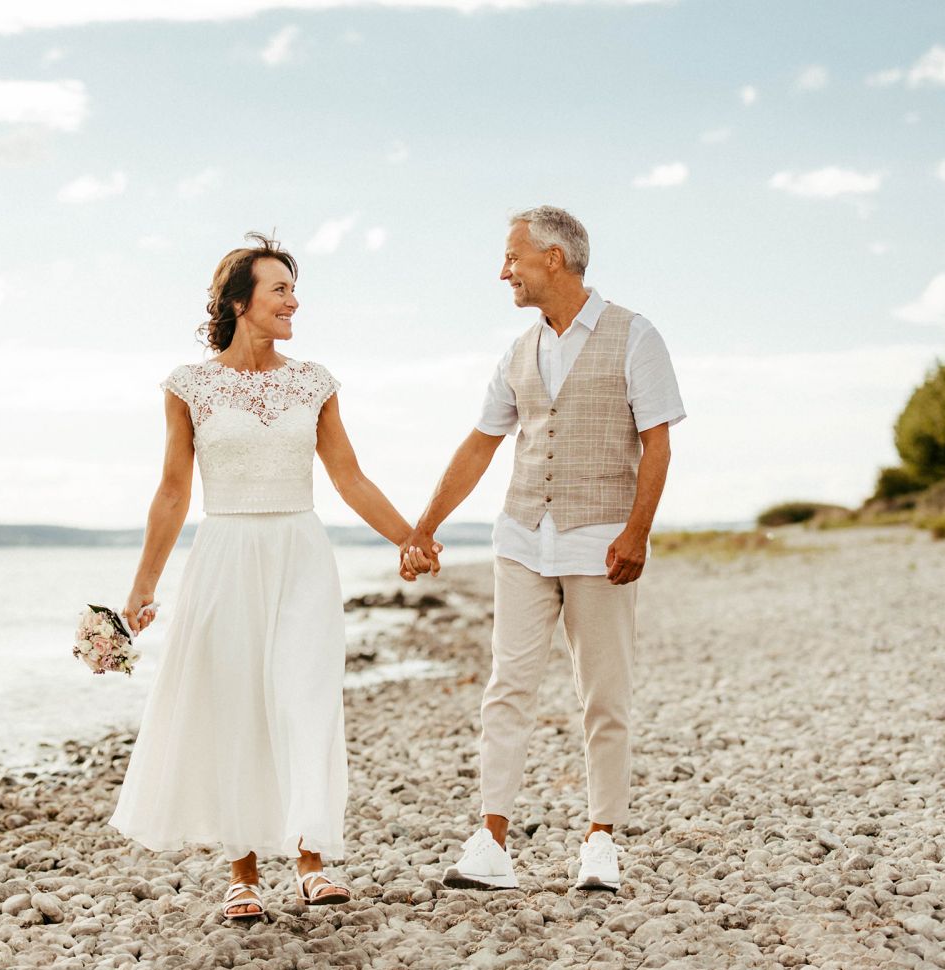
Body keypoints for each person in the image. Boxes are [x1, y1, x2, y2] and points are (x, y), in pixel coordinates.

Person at [110, 233, 418, 920]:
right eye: (279, 289)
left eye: (292, 288)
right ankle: (242, 872)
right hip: (225, 554)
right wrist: (144, 586)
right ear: (240, 301)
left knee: (306, 698)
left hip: (300, 552)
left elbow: (348, 476)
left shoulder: (314, 381)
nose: (293, 301)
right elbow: (171, 491)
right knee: (237, 704)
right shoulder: (188, 387)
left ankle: (311, 861)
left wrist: (409, 537)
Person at [401, 206, 685, 893]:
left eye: (513, 259)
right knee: (507, 688)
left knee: (604, 696)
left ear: (552, 259)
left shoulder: (635, 335)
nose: (505, 271)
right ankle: (492, 842)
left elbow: (658, 444)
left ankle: (600, 841)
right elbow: (479, 445)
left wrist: (637, 532)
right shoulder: (516, 351)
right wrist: (425, 526)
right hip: (522, 538)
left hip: (601, 543)